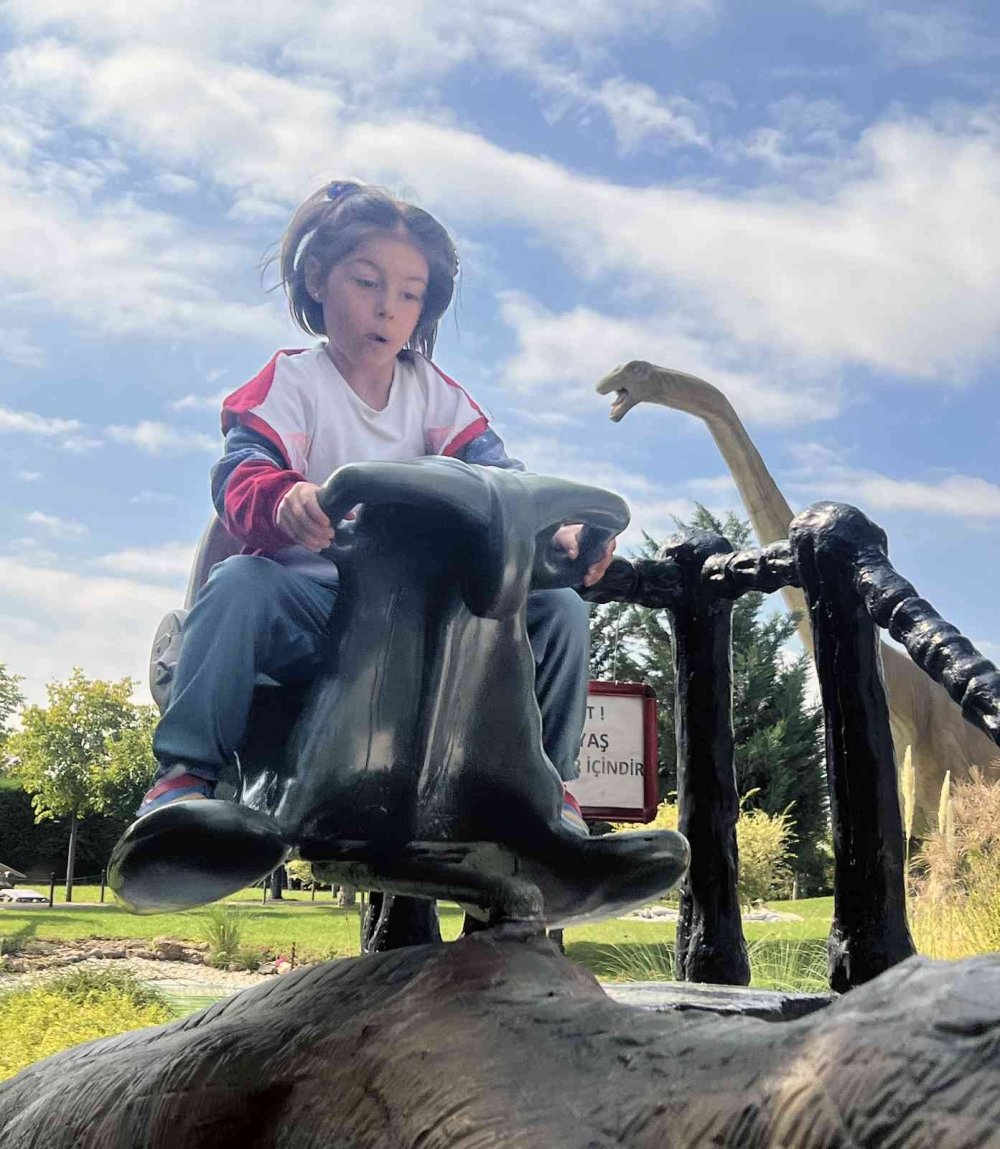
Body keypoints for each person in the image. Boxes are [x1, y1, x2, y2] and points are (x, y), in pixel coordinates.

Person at [138, 181, 614, 834]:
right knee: (239, 585)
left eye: (409, 294)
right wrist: (286, 498)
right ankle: (186, 777)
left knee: (558, 608)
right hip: (317, 609)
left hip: (427, 615)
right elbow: (239, 475)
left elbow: (503, 481)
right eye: (366, 282)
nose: (387, 309)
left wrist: (557, 532)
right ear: (316, 278)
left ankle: (549, 791)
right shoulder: (292, 385)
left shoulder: (438, 399)